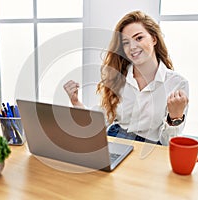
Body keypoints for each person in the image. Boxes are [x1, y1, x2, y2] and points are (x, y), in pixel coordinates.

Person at [63, 10, 189, 146]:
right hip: (115, 138)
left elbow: (167, 143)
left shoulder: (177, 83)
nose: (132, 47)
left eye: (139, 38)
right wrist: (76, 102)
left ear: (154, 39)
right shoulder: (118, 77)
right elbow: (99, 121)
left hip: (151, 146)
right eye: (126, 43)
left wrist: (175, 117)